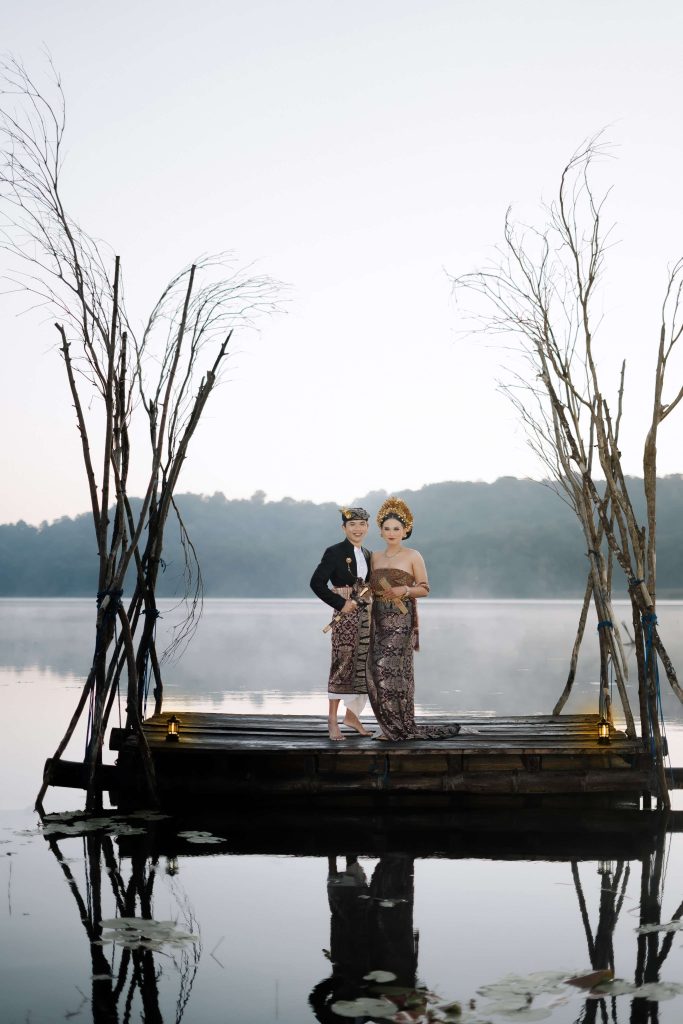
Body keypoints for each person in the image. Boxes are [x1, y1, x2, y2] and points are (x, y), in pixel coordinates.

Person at [367, 496, 461, 740]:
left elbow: (425, 588)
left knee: (391, 669)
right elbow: (365, 587)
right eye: (387, 528)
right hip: (378, 619)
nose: (391, 533)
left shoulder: (413, 555)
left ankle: (401, 726)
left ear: (405, 530)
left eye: (396, 528)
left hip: (401, 620)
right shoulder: (374, 557)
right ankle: (389, 726)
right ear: (380, 531)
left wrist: (405, 590)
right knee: (375, 671)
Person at [310, 507, 374, 741]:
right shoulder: (334, 552)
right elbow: (316, 583)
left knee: (364, 665)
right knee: (342, 663)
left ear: (368, 527)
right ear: (344, 528)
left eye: (362, 524)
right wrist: (340, 602)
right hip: (345, 617)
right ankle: (332, 720)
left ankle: (352, 717)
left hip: (366, 616)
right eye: (352, 524)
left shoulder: (368, 554)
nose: (357, 529)